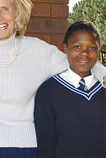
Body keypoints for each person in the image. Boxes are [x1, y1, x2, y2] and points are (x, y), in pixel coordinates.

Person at [0, 0, 106, 158]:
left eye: (5, 9)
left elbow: (80, 62)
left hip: (28, 149)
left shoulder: (38, 50)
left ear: (17, 11)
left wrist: (104, 74)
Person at [34, 21, 106, 158]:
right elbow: (46, 146)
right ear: (65, 48)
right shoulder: (48, 91)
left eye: (91, 48)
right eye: (77, 47)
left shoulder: (103, 89)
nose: (84, 53)